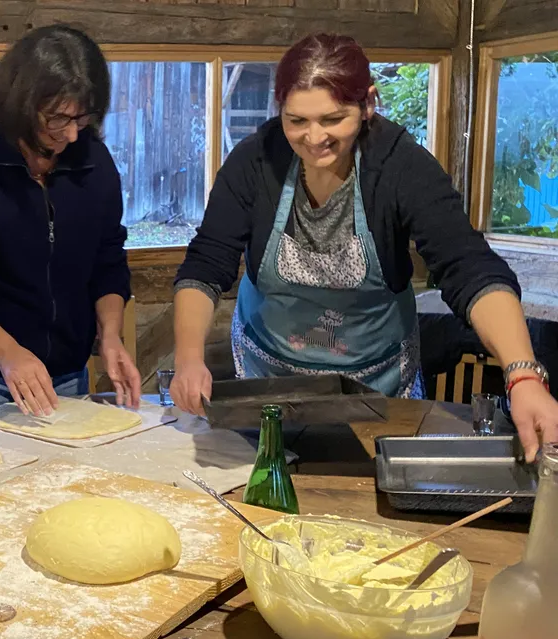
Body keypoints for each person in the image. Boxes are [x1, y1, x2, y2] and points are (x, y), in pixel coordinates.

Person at [170, 33, 558, 460]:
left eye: (333, 119)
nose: (314, 138)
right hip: (270, 379)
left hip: (379, 385)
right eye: (296, 120)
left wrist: (523, 375)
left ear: (368, 104)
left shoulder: (401, 166)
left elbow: (468, 267)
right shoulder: (253, 162)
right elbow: (206, 263)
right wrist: (189, 358)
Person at [0, 24, 141, 417]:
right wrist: (8, 353)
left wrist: (111, 335)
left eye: (84, 118)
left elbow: (108, 262)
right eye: (58, 118)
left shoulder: (94, 163)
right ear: (22, 103)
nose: (73, 135)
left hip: (68, 376)